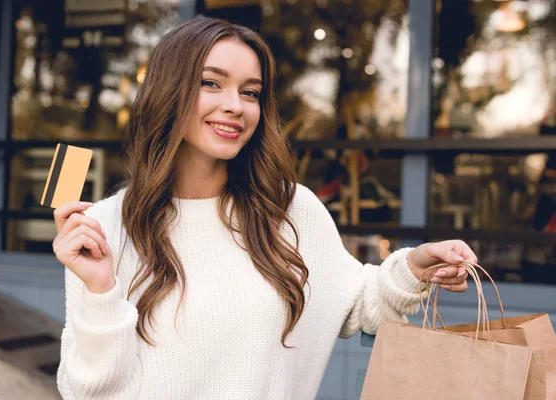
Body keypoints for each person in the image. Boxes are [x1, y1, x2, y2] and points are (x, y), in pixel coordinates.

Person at [52, 17, 475, 400]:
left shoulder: (291, 210)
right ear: (168, 92)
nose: (235, 105)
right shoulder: (103, 227)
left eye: (250, 92)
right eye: (211, 83)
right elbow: (85, 393)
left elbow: (355, 305)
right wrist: (101, 290)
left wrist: (416, 267)